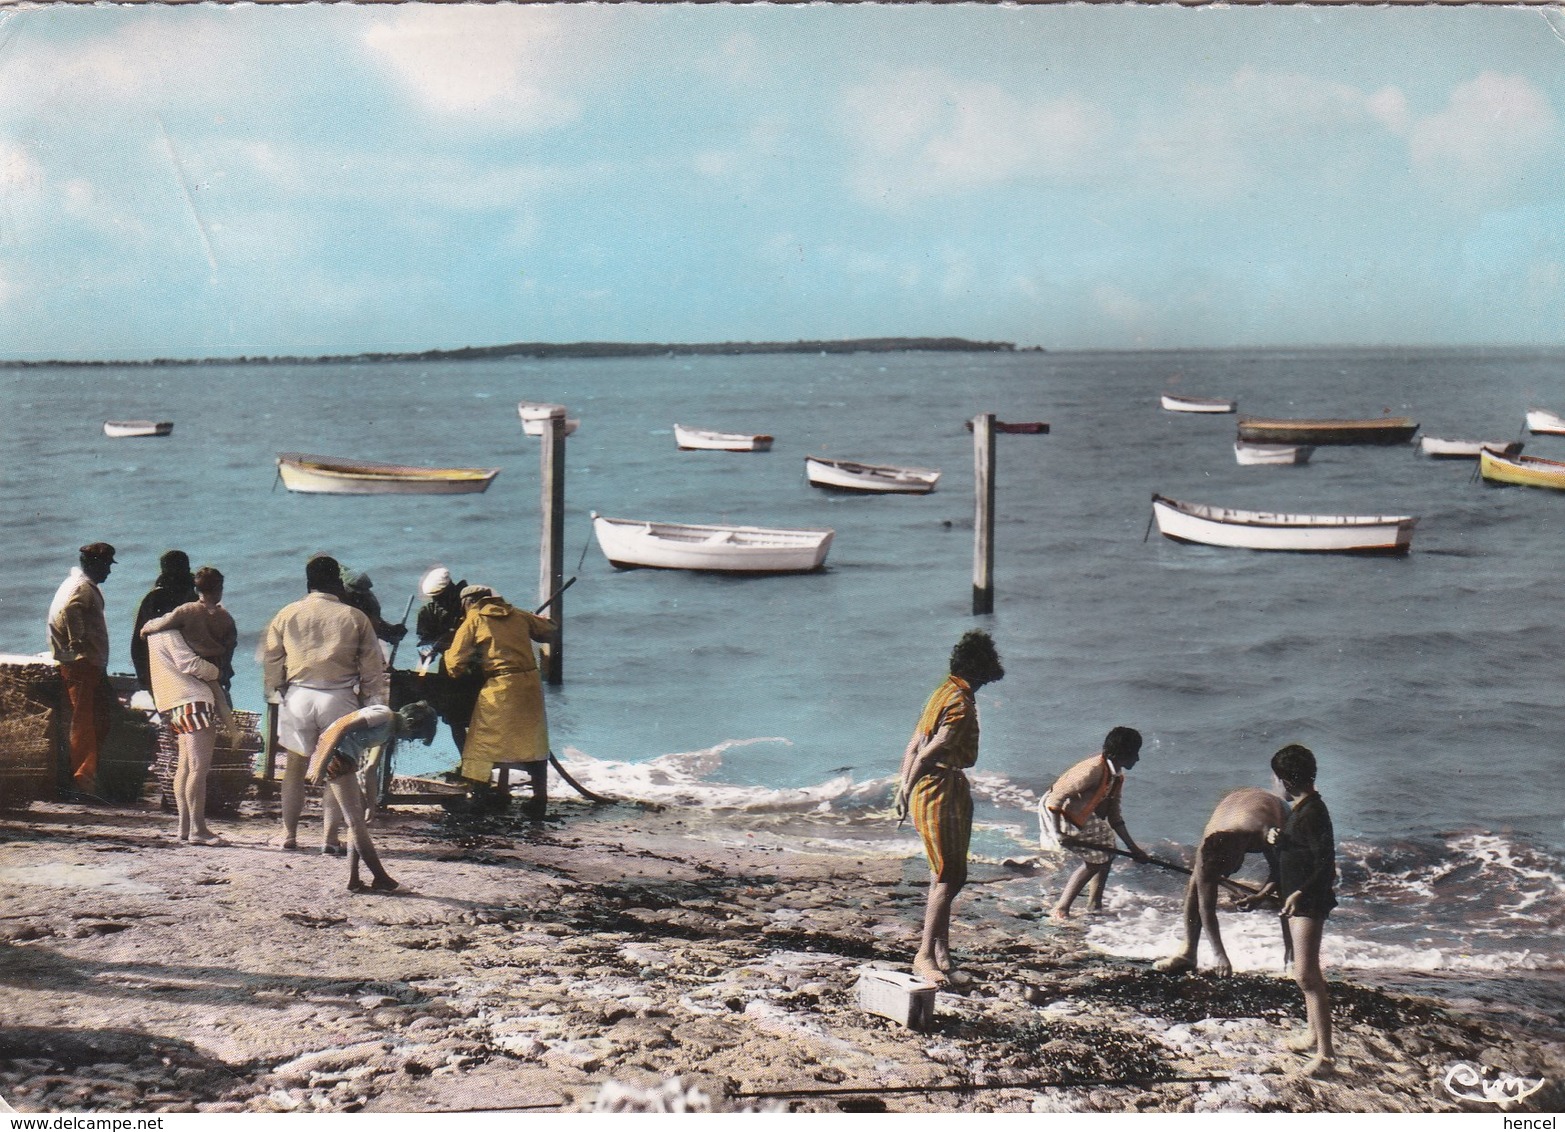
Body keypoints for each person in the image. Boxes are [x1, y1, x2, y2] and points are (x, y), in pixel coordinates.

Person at [894, 629, 1005, 985]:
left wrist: (903, 788)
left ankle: (941, 954)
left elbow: (913, 744)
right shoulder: (958, 702)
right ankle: (924, 955)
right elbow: (927, 751)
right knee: (949, 875)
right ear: (979, 669)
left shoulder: (943, 691)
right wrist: (907, 787)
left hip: (938, 786)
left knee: (945, 872)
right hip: (940, 787)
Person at [262, 554, 389, 852]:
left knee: (294, 767)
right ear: (337, 583)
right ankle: (330, 839)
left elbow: (272, 658)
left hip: (298, 696)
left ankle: (289, 834)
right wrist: (371, 702)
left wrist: (276, 689)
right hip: (339, 697)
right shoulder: (354, 616)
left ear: (308, 583)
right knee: (338, 769)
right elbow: (372, 668)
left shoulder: (287, 613)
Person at [443, 585, 558, 816]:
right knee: (532, 743)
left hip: (500, 686)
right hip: (529, 686)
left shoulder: (474, 619)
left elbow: (454, 665)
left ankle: (479, 796)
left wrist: (459, 656)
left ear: (468, 603)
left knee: (482, 743)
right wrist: (537, 621)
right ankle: (539, 800)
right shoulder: (518, 613)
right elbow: (550, 630)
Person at [1261, 744, 1338, 1078]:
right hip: (1296, 899)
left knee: (1306, 975)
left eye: (1277, 779)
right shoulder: (1303, 812)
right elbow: (1298, 852)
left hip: (1308, 901)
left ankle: (1326, 1056)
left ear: (1286, 782)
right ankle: (1311, 1034)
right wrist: (1278, 839)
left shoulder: (1314, 813)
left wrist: (1299, 893)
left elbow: (1326, 864)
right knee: (1302, 970)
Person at [306, 700, 438, 893]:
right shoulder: (383, 715)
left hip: (346, 760)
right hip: (334, 756)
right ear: (409, 722)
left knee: (356, 822)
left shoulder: (388, 733)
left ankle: (354, 880)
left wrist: (372, 804)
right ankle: (382, 878)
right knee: (355, 822)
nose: (409, 740)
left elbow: (370, 770)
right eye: (413, 736)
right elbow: (340, 727)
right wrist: (320, 765)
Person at [1153, 786, 1285, 976]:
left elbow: (1279, 870)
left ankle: (1292, 958)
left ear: (1240, 854)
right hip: (1233, 809)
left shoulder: (1265, 832)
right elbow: (1206, 907)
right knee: (1196, 883)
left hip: (1273, 808)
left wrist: (1261, 896)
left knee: (1287, 883)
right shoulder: (1210, 840)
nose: (1226, 876)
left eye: (1227, 871)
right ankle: (1188, 953)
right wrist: (1220, 956)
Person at [1040, 726, 1150, 919]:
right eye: (1135, 754)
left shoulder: (1116, 777)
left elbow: (1114, 817)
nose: (1138, 759)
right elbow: (1056, 798)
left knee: (1107, 850)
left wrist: (1134, 849)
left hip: (1078, 812)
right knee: (1094, 861)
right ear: (1122, 754)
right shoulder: (1092, 770)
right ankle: (1061, 909)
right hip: (1058, 811)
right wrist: (1059, 834)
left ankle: (1094, 904)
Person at [144, 618, 225, 845]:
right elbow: (189, 664)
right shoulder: (170, 633)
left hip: (176, 703)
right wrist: (216, 672)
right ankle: (199, 830)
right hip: (194, 700)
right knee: (199, 770)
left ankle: (185, 827)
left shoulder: (152, 635)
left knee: (185, 767)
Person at [48, 542, 117, 797]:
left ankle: (86, 777)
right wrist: (78, 645)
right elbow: (70, 610)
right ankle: (83, 780)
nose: (109, 571)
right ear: (95, 564)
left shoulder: (74, 583)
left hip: (83, 664)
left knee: (89, 720)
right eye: (107, 565)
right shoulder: (82, 588)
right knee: (85, 723)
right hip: (83, 665)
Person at [141, 566, 238, 707]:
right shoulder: (226, 617)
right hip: (216, 663)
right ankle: (230, 727)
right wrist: (226, 671)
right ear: (220, 589)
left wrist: (145, 629)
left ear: (196, 590)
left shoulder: (187, 610)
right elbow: (230, 646)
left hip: (196, 668)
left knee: (210, 699)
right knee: (222, 702)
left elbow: (163, 623)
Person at [415, 566, 477, 751]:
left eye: (441, 596)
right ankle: (465, 759)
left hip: (475, 667)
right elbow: (424, 640)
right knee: (454, 718)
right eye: (435, 598)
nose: (439, 601)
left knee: (479, 717)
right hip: (449, 668)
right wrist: (427, 649)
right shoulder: (429, 611)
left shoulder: (470, 605)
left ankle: (481, 763)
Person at [130, 550, 196, 693]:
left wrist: (144, 678)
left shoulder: (153, 599)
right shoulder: (194, 599)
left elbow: (138, 644)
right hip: (193, 674)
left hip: (161, 673)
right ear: (188, 569)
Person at [341, 569, 408, 648]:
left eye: (362, 593)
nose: (358, 595)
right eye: (354, 592)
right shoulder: (337, 596)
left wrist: (392, 631)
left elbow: (374, 624)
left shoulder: (370, 602)